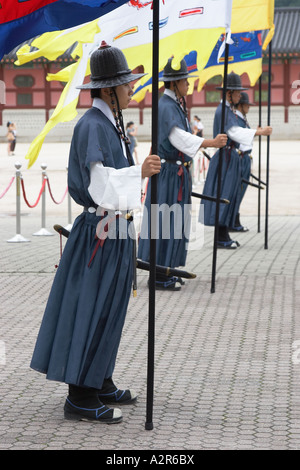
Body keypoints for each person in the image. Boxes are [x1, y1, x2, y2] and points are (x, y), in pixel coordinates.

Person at [30, 42, 161, 424]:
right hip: (99, 235)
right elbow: (100, 186)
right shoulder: (92, 125)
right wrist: (140, 172)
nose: (131, 89)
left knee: (111, 310)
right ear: (108, 91)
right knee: (90, 309)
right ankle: (80, 396)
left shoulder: (112, 123)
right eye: (125, 84)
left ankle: (99, 378)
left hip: (116, 232)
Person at [138, 57, 227, 290]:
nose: (188, 85)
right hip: (168, 173)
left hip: (177, 172)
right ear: (175, 83)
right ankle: (158, 275)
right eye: (185, 81)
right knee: (165, 222)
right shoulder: (166, 106)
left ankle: (168, 269)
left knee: (175, 222)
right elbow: (180, 139)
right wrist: (210, 142)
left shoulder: (175, 103)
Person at [200, 72, 272, 248]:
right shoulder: (224, 110)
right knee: (223, 195)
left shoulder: (228, 109)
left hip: (231, 157)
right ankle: (220, 237)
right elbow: (233, 132)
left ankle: (224, 234)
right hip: (226, 157)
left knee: (229, 195)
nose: (240, 96)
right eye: (237, 92)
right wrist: (258, 132)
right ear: (229, 93)